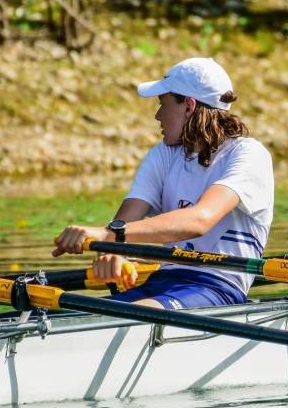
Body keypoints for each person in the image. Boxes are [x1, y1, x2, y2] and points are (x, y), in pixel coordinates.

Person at [54, 58, 274, 309]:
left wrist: (107, 235)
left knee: (117, 315)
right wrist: (112, 252)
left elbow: (200, 220)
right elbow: (122, 225)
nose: (157, 115)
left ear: (189, 106)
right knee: (79, 314)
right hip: (161, 280)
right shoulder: (164, 155)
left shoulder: (249, 154)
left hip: (216, 286)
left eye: (162, 104)